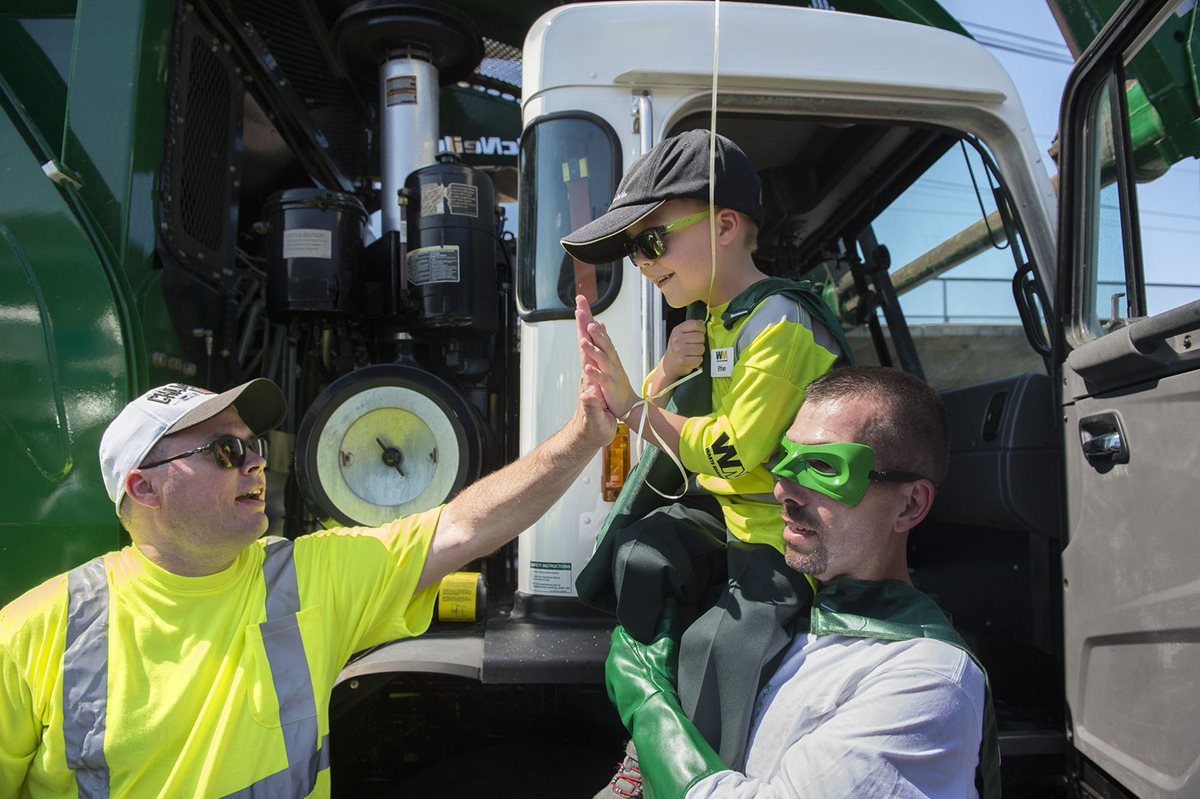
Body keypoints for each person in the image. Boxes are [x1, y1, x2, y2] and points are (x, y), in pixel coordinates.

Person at [0, 365, 614, 797]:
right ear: (145, 487)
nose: (256, 462)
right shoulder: (35, 631)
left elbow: (462, 526)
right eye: (223, 452)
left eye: (254, 445)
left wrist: (585, 436)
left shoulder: (305, 577)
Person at [564, 128, 851, 797]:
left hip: (790, 539)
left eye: (652, 241)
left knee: (722, 645)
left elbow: (732, 448)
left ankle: (682, 769)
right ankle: (649, 728)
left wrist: (636, 405)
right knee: (639, 555)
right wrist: (662, 372)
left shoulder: (778, 323)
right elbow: (680, 425)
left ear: (724, 225)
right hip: (733, 518)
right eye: (633, 250)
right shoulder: (717, 319)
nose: (640, 261)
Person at [602, 366, 1001, 799]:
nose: (783, 491)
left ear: (910, 504)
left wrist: (649, 707)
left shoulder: (926, 677)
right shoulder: (787, 614)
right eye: (784, 460)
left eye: (824, 468)